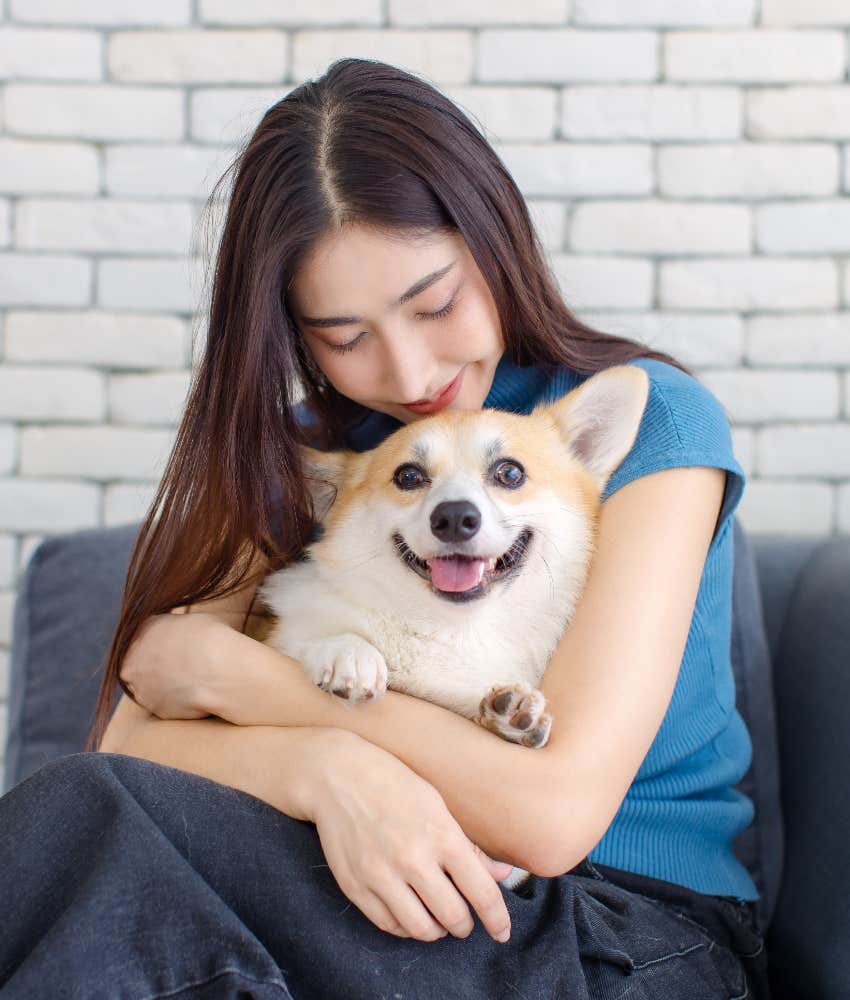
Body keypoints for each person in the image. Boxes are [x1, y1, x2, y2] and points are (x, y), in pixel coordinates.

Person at [0, 58, 771, 999]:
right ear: (288, 331)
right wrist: (328, 771)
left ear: (496, 242)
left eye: (434, 303)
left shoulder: (654, 426)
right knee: (83, 829)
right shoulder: (310, 459)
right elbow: (129, 746)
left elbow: (553, 817)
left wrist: (251, 682)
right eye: (344, 335)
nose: (409, 371)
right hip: (370, 877)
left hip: (627, 926)